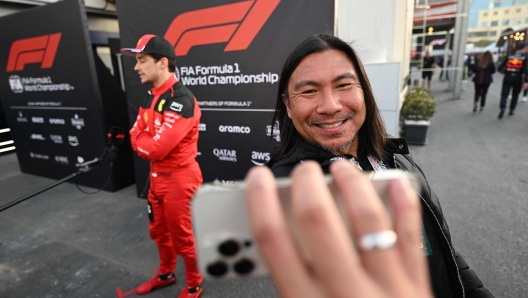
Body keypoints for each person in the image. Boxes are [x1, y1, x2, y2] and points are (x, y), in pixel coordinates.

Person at [265, 33, 494, 298]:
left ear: (363, 90)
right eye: (309, 91)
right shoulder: (289, 191)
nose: (330, 106)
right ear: (288, 105)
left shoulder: (392, 157)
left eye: (343, 85)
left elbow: (442, 248)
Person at [245, 160, 434, 298]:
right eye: (309, 101)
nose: (331, 106)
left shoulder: (391, 152)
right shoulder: (285, 184)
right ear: (288, 108)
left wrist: (462, 276)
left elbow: (435, 229)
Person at [121, 34, 203, 298]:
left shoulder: (181, 98)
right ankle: (166, 274)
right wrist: (143, 139)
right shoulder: (150, 97)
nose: (136, 67)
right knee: (158, 232)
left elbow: (156, 147)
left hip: (180, 179)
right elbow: (134, 134)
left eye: (142, 60)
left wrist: (143, 139)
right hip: (156, 178)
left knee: (183, 238)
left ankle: (194, 284)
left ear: (162, 62)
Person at [496, 42, 528, 119]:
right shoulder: (525, 57)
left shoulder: (509, 56)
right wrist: (526, 81)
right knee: (515, 95)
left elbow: (500, 68)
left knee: (504, 94)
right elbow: (526, 70)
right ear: (524, 48)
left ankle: (503, 107)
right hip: (518, 77)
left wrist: (505, 72)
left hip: (508, 76)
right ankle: (511, 110)